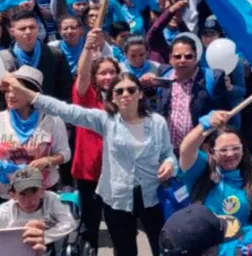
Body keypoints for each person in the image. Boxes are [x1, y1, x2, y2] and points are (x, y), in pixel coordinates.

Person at [1, 72, 177, 256]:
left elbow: (168, 153)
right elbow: (65, 110)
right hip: (117, 199)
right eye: (119, 91)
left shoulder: (157, 123)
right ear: (113, 98)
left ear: (140, 94)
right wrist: (27, 94)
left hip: (152, 197)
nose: (126, 94)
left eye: (131, 90)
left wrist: (170, 163)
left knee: (162, 249)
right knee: (125, 251)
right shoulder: (106, 120)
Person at [71, 28, 121, 252]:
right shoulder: (86, 98)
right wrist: (87, 47)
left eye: (112, 72)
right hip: (89, 172)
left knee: (119, 226)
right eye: (102, 73)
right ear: (95, 77)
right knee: (89, 226)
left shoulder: (125, 97)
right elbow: (81, 76)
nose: (107, 77)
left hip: (118, 175)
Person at [156, 36, 243, 151]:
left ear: (196, 58)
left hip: (200, 151)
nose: (182, 60)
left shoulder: (212, 79)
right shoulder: (164, 77)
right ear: (170, 59)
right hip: (170, 151)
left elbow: (223, 115)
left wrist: (211, 143)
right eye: (177, 56)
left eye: (188, 56)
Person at [0, 66, 70, 198]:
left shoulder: (52, 121)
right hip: (6, 193)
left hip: (43, 192)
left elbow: (65, 153)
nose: (10, 95)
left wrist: (47, 161)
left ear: (31, 94)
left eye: (16, 91)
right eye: (7, 91)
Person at [179, 110, 252, 223]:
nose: (230, 154)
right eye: (223, 150)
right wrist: (205, 124)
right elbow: (186, 150)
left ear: (243, 150)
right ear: (211, 152)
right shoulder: (201, 172)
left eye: (235, 148)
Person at [0, 11, 72, 105]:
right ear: (12, 32)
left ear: (38, 29)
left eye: (32, 27)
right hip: (14, 114)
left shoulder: (55, 54)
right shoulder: (3, 58)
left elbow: (65, 89)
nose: (28, 32)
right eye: (22, 29)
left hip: (48, 113)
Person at [0, 167, 76, 244]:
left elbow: (69, 223)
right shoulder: (5, 211)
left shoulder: (52, 199)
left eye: (34, 191)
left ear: (42, 189)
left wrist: (43, 237)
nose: (29, 201)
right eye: (23, 194)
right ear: (13, 195)